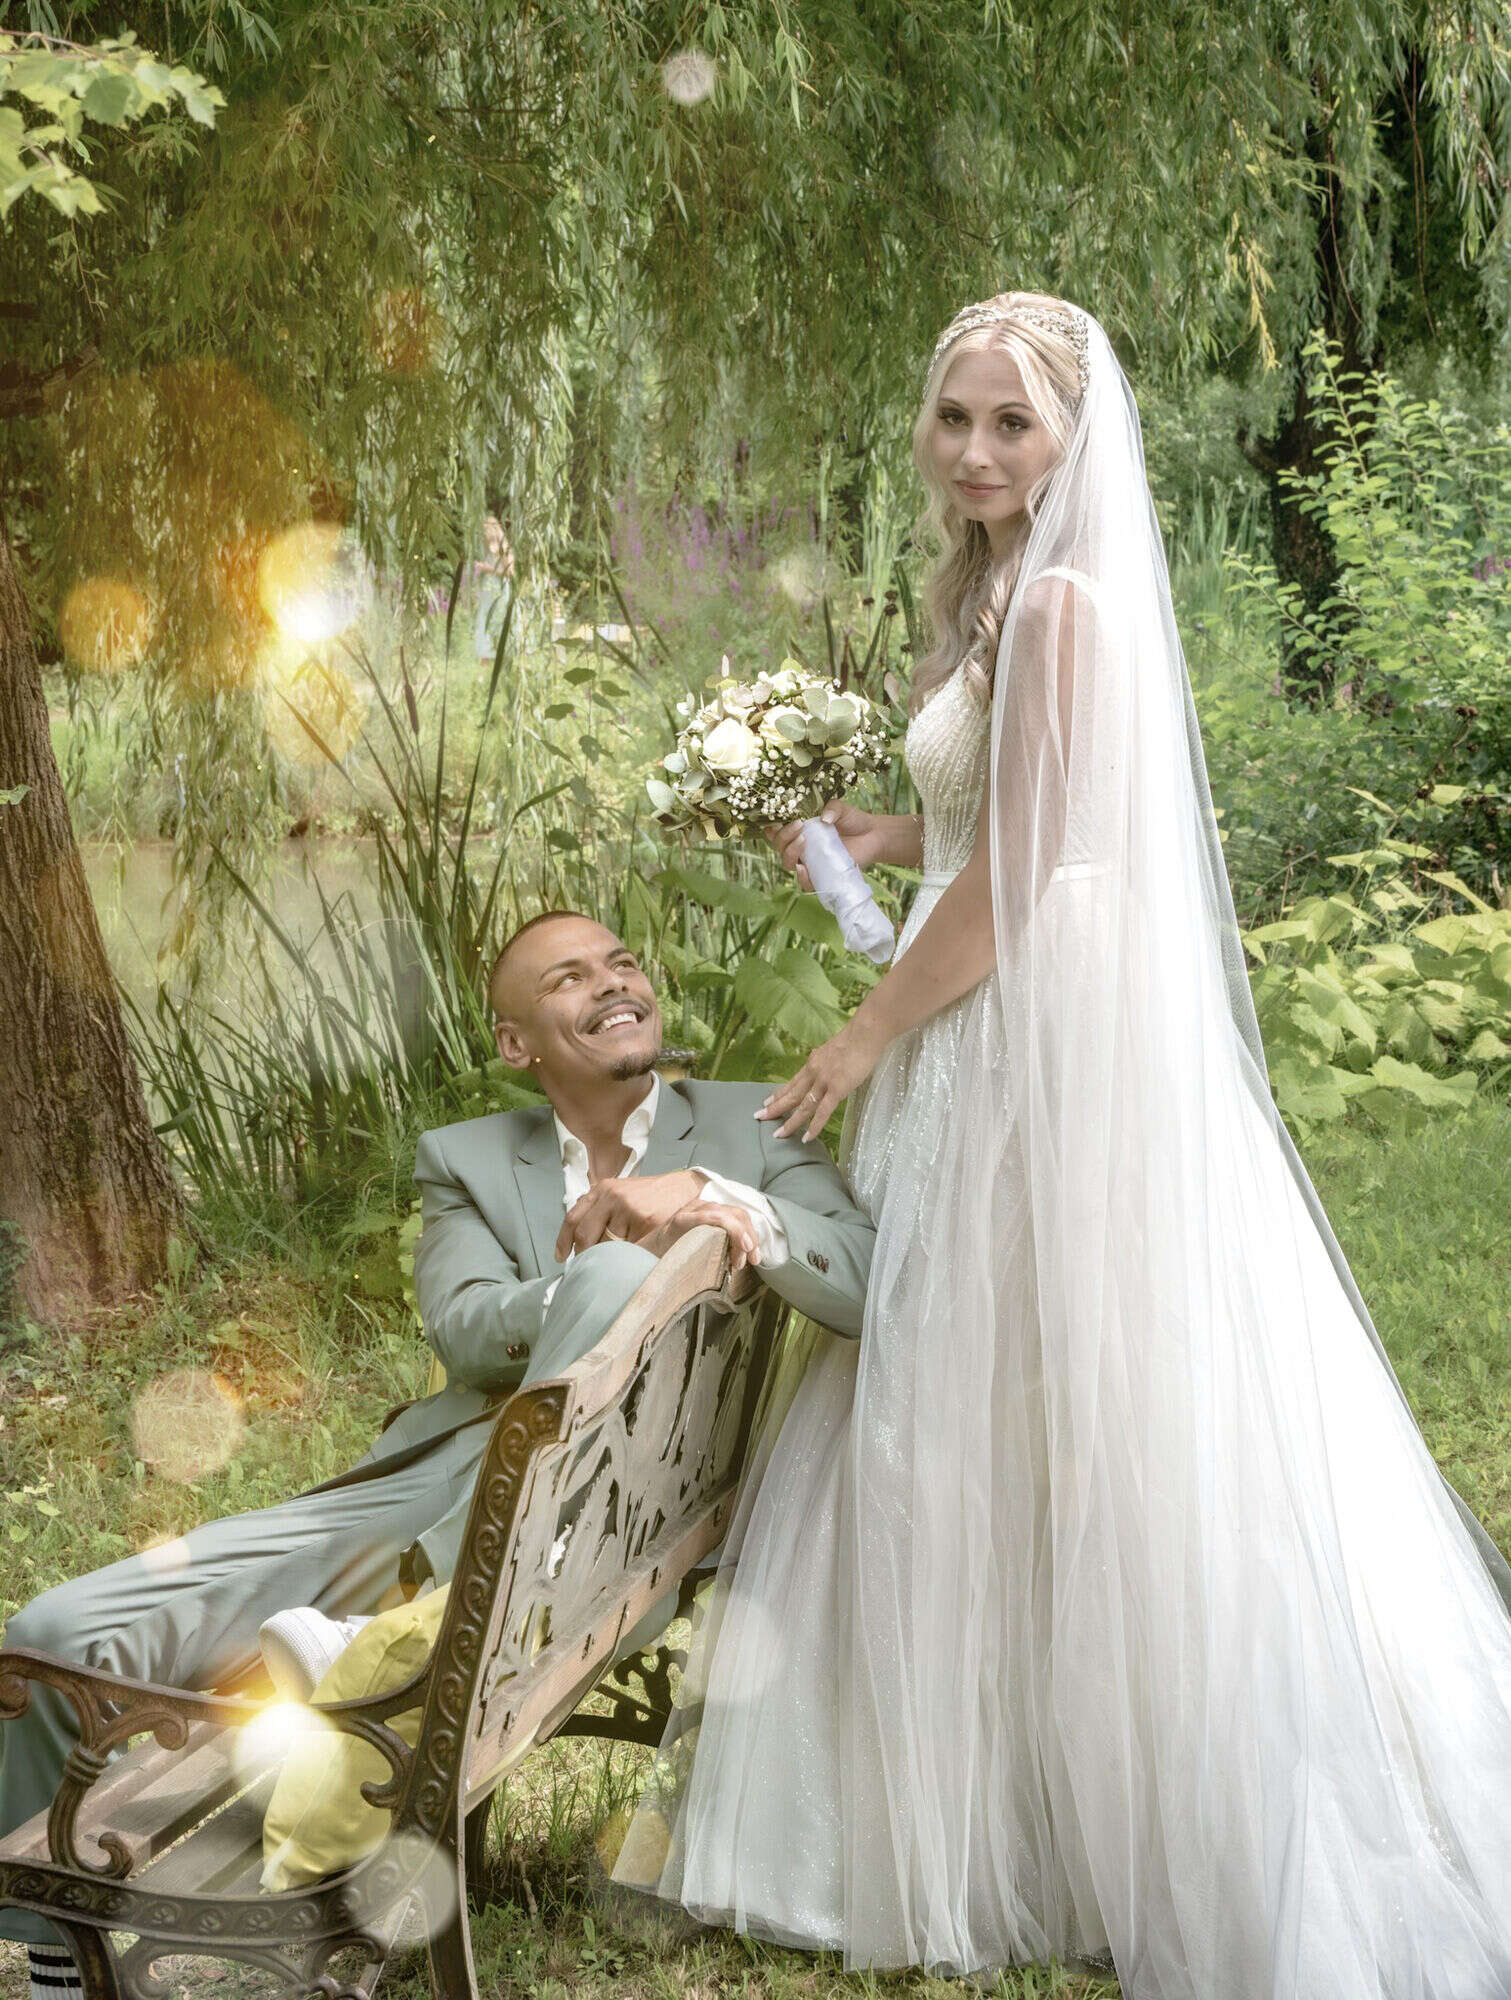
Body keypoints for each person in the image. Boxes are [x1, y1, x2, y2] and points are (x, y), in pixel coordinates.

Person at [609, 294, 1511, 1996]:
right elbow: (986, 823)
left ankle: (1103, 1794)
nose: (972, 450)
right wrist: (871, 828)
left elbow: (1020, 881)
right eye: (952, 416)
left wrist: (864, 1033)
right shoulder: (998, 585)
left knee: (1025, 1364)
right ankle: (988, 1780)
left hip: (1021, 1021)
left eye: (1009, 423)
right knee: (972, 1359)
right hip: (991, 1002)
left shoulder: (1065, 605)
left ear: (1073, 437)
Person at [0, 912, 874, 2000]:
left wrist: (710, 1199)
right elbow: (464, 1330)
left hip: (613, 1517)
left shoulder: (755, 1121)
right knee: (56, 1636)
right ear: (516, 1044)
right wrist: (590, 1268)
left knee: (612, 1276)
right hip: (429, 1483)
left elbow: (860, 1279)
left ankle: (408, 1624)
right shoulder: (467, 1157)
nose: (613, 984)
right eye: (568, 979)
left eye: (621, 963)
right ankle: (56, 1952)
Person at [471, 514, 515, 668]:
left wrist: (487, 568)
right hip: (487, 592)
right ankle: (484, 666)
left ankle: (503, 663)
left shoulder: (503, 548)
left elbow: (509, 573)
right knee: (485, 622)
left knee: (498, 621)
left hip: (499, 592)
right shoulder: (486, 549)